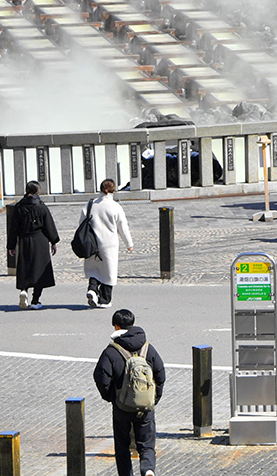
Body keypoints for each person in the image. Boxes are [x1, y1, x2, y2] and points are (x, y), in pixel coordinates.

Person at [93, 309, 166, 476]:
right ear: (132, 325)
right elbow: (161, 373)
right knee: (147, 443)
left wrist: (112, 397)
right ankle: (148, 470)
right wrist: (153, 398)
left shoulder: (111, 351)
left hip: (122, 406)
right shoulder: (148, 348)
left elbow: (101, 377)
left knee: (122, 445)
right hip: (145, 406)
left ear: (116, 326)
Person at [80, 179, 134, 308]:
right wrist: (129, 243)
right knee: (108, 272)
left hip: (91, 243)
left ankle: (92, 289)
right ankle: (105, 300)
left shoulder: (90, 205)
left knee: (94, 270)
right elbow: (123, 227)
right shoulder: (115, 207)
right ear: (113, 190)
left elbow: (81, 224)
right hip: (109, 244)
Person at [7, 181, 59, 310]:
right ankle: (35, 301)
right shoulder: (41, 206)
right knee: (40, 270)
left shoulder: (19, 207)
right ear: (38, 192)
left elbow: (13, 228)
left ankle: (24, 290)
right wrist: (53, 242)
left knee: (25, 267)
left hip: (24, 240)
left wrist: (11, 245)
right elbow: (49, 226)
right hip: (40, 240)